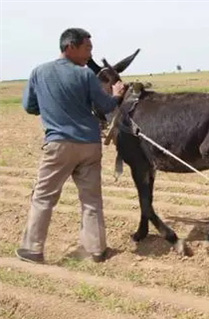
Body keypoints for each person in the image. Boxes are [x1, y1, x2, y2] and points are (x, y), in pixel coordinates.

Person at [16, 28, 126, 264]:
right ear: (70, 47)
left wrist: (49, 108)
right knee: (91, 199)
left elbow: (29, 107)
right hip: (89, 145)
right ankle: (96, 249)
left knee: (44, 197)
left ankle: (33, 249)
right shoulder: (85, 75)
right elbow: (106, 107)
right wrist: (117, 95)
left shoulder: (39, 72)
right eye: (87, 49)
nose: (90, 55)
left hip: (58, 145)